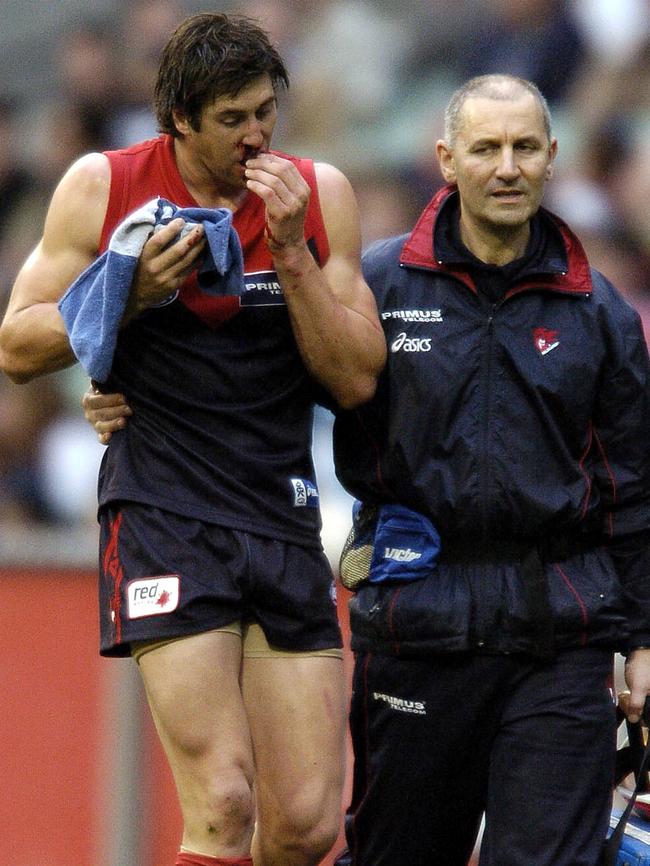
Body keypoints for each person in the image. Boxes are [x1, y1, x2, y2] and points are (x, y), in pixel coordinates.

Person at [0, 12, 385, 866]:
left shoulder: (315, 196)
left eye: (264, 112)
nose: (257, 136)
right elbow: (16, 344)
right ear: (177, 119)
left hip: (282, 511)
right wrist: (125, 296)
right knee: (223, 799)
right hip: (164, 509)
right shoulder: (104, 187)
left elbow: (357, 377)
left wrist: (290, 253)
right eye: (232, 120)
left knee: (308, 824)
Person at [328, 74, 650, 866]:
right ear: (446, 159)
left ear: (551, 160)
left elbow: (634, 493)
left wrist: (644, 638)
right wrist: (117, 391)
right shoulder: (375, 286)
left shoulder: (602, 314)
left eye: (524, 148)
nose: (506, 166)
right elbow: (260, 385)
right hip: (416, 627)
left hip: (561, 645)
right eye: (486, 148)